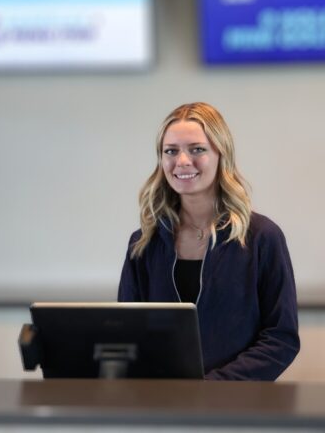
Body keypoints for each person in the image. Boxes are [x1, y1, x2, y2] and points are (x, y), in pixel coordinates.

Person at [117, 102, 299, 380]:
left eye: (197, 149)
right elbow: (127, 335)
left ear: (221, 154)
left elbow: (281, 338)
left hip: (236, 409)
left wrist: (214, 387)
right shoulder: (144, 243)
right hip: (163, 410)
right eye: (171, 151)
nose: (182, 161)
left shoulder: (262, 237)